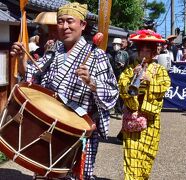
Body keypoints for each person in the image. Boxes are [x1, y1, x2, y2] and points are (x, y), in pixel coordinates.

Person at [10, 2, 118, 180]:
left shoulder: (96, 55)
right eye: (60, 21)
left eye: (70, 21)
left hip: (77, 130)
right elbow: (34, 76)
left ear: (82, 25)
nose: (65, 26)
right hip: (48, 125)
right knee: (43, 173)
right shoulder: (53, 51)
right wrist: (22, 58)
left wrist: (92, 82)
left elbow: (113, 92)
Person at [118, 29, 171, 179]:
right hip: (133, 116)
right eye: (142, 50)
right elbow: (121, 87)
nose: (144, 54)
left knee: (148, 155)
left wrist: (150, 80)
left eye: (148, 51)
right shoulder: (130, 69)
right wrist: (132, 79)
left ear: (154, 52)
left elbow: (165, 86)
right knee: (132, 156)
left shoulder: (160, 69)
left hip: (151, 118)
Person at [108, 38, 129, 116]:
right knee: (112, 92)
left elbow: (127, 64)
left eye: (118, 44)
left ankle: (119, 111)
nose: (116, 46)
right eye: (114, 44)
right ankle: (114, 109)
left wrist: (123, 67)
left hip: (121, 75)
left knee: (121, 93)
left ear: (121, 45)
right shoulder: (109, 53)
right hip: (112, 76)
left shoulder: (124, 54)